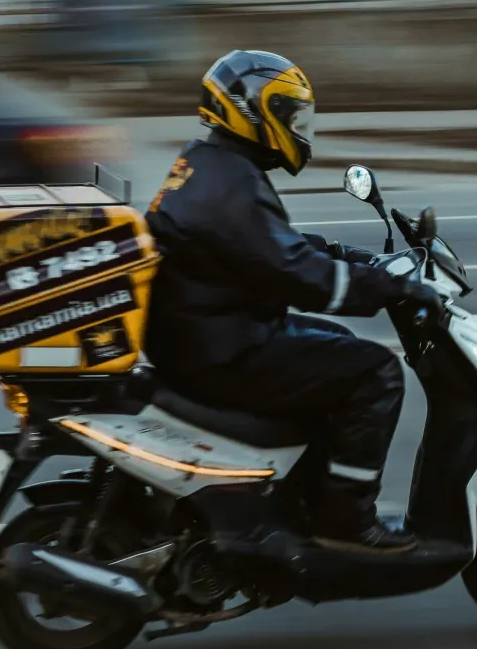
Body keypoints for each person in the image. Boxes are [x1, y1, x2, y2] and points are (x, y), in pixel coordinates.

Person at [143, 49, 442, 553]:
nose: (298, 129)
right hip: (224, 351)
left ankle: (302, 495)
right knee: (375, 373)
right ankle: (347, 520)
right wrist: (393, 288)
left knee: (336, 344)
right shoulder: (233, 183)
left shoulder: (210, 164)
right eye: (290, 116)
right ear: (253, 111)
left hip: (204, 337)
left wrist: (345, 255)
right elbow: (298, 276)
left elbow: (263, 247)